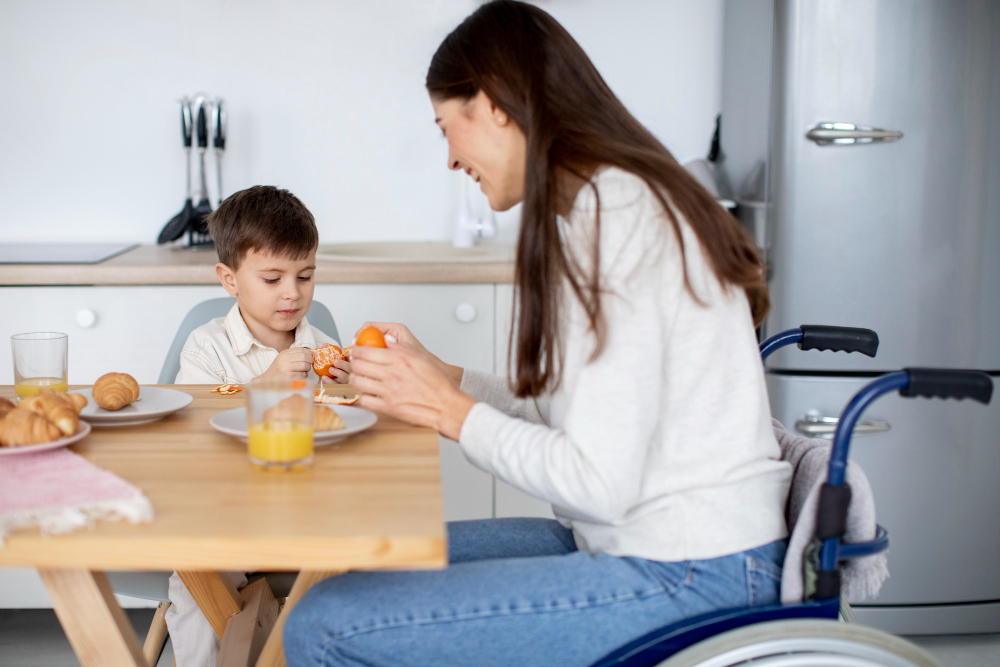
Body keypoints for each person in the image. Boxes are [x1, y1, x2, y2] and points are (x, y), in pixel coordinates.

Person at [284, 2, 792, 665]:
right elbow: (575, 417)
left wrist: (447, 410)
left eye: (447, 127)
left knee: (325, 625)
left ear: (494, 104)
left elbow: (594, 479)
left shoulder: (619, 217)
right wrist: (448, 381)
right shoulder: (598, 205)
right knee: (344, 575)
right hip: (636, 539)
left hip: (692, 567)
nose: (448, 158)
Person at [168, 185, 349, 666]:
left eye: (305, 276)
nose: (293, 292)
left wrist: (359, 388)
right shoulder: (205, 349)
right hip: (222, 513)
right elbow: (194, 432)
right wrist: (267, 383)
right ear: (229, 279)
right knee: (194, 592)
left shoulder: (326, 349)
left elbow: (342, 436)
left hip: (306, 513)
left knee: (355, 577)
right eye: (273, 278)